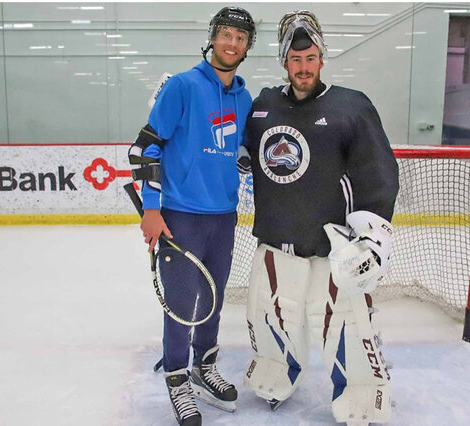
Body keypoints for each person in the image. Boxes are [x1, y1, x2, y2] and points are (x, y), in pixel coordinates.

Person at [239, 10, 399, 425]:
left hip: (335, 248)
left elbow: (377, 174)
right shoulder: (262, 107)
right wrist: (188, 122)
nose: (304, 67)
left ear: (322, 58)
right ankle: (277, 373)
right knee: (270, 312)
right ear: (284, 61)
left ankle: (362, 391)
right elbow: (229, 152)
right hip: (277, 240)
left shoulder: (352, 106)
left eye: (310, 58)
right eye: (296, 60)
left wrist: (374, 238)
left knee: (345, 324)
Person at [128, 7, 255, 426]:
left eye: (240, 37)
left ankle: (205, 365)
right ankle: (177, 376)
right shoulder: (182, 86)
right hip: (179, 216)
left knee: (214, 300)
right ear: (213, 37)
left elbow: (241, 155)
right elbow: (146, 148)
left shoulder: (244, 98)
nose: (232, 43)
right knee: (181, 305)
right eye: (226, 34)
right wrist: (150, 208)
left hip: (223, 217)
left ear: (247, 47)